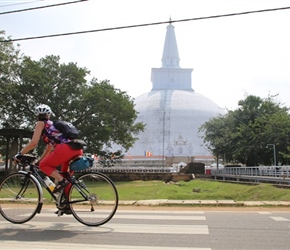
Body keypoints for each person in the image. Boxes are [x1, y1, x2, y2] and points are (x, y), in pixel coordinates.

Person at [14, 104, 83, 195]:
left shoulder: (40, 123)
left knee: (44, 166)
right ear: (49, 115)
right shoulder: (52, 126)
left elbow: (34, 143)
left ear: (37, 115)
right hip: (76, 148)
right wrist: (40, 160)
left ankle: (62, 181)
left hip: (65, 149)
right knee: (64, 176)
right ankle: (65, 206)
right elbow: (49, 147)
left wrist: (19, 154)